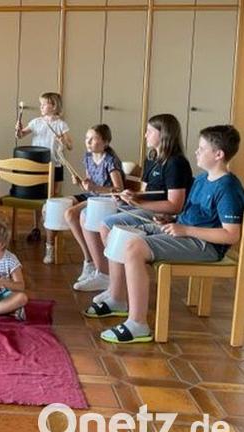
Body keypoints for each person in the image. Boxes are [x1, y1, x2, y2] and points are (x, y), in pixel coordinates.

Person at [96, 125, 244, 344]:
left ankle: (138, 324)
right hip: (186, 233)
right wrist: (172, 221)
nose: (196, 152)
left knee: (133, 247)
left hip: (206, 246)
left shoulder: (229, 188)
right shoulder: (202, 179)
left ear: (219, 154)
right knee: (120, 233)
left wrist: (185, 230)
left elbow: (231, 236)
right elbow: (189, 213)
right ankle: (117, 298)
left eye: (202, 148)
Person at [81, 114, 194, 298]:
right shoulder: (152, 157)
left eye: (149, 131)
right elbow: (146, 191)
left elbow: (175, 205)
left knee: (107, 225)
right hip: (146, 207)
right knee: (88, 213)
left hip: (161, 214)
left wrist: (139, 202)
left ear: (163, 134)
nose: (145, 135)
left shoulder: (176, 163)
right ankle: (103, 273)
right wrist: (133, 196)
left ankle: (116, 286)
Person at [15, 92, 74, 259]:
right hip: (37, 165)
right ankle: (36, 227)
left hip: (55, 165)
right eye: (40, 104)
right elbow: (20, 135)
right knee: (37, 197)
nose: (40, 106)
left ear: (54, 106)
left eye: (44, 104)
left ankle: (51, 235)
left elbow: (70, 146)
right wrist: (18, 129)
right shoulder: (36, 122)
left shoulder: (62, 125)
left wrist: (63, 141)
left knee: (52, 200)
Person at [65, 125, 124, 289]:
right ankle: (88, 259)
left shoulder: (111, 161)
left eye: (93, 138)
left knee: (71, 213)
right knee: (65, 209)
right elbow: (89, 182)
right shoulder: (88, 157)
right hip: (93, 196)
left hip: (105, 199)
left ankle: (90, 262)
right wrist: (81, 183)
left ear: (105, 142)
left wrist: (94, 188)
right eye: (86, 138)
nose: (88, 142)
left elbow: (118, 190)